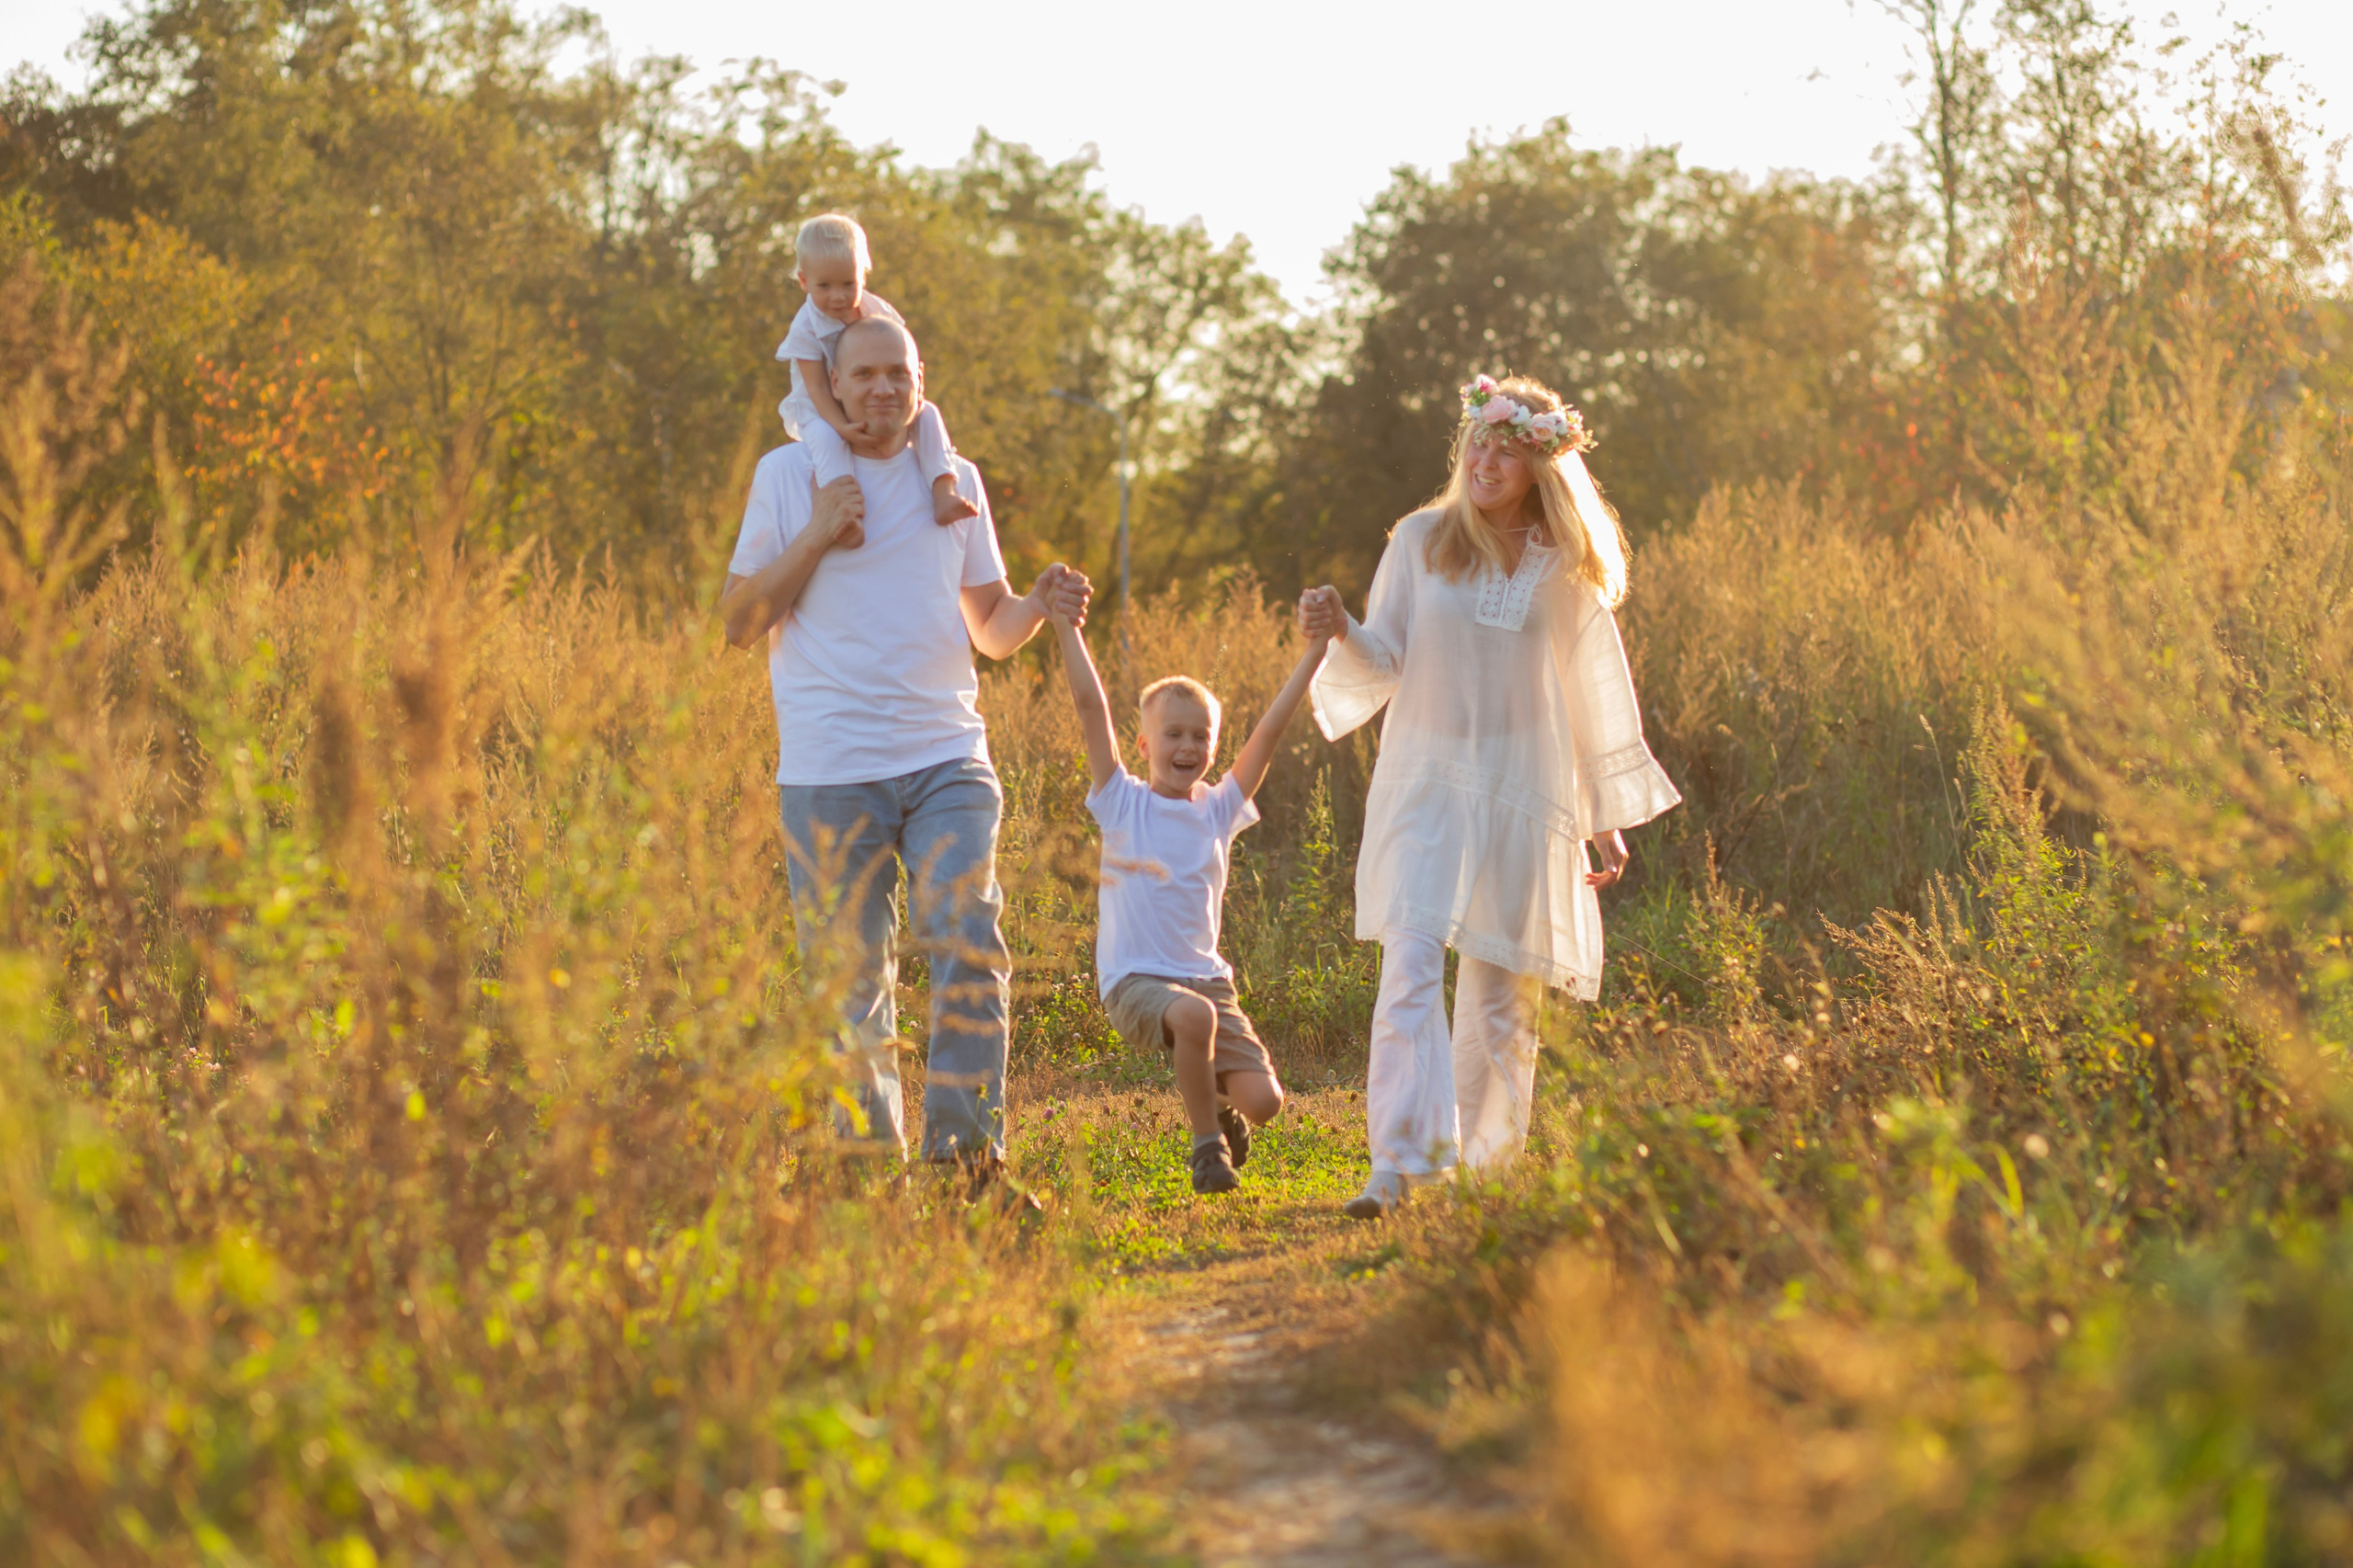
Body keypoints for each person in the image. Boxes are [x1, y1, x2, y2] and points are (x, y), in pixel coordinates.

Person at [1296, 373, 1682, 1221]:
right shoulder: (1420, 540)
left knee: (1503, 994)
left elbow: (1592, 694)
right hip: (1426, 783)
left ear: (1541, 463)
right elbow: (1385, 658)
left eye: (1507, 451)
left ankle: (1485, 1176)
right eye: (1479, 443)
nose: (1487, 462)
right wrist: (1342, 629)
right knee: (1409, 962)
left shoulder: (1564, 569)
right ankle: (1399, 1164)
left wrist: (1602, 817)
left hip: (1521, 791)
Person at [721, 314, 1087, 1199]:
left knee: (969, 940)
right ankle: (866, 1176)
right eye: (865, 374)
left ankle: (967, 1168)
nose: (884, 388)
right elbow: (738, 623)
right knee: (849, 981)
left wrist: (1037, 604)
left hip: (946, 757)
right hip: (829, 771)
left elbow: (990, 629)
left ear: (920, 381)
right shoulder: (788, 475)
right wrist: (818, 530)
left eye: (900, 372)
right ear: (832, 386)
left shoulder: (953, 478)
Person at [1049, 610, 1327, 1193]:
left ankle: (1222, 1107)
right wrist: (1067, 624)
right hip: (1134, 980)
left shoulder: (1217, 809)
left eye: (1201, 736)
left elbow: (1270, 732)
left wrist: (1314, 652)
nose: (1188, 746)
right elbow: (1090, 707)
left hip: (1206, 982)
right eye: (1173, 734)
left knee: (1266, 1103)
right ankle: (1207, 1152)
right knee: (1194, 1017)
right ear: (1144, 744)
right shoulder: (1122, 802)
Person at [777, 212, 976, 527]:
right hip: (821, 408)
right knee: (827, 440)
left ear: (863, 277)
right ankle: (844, 515)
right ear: (804, 281)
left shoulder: (877, 310)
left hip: (870, 399)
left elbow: (900, 354)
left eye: (848, 284)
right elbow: (816, 386)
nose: (838, 296)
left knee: (929, 414)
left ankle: (944, 491)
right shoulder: (806, 328)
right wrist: (841, 426)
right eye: (824, 286)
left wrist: (910, 399)